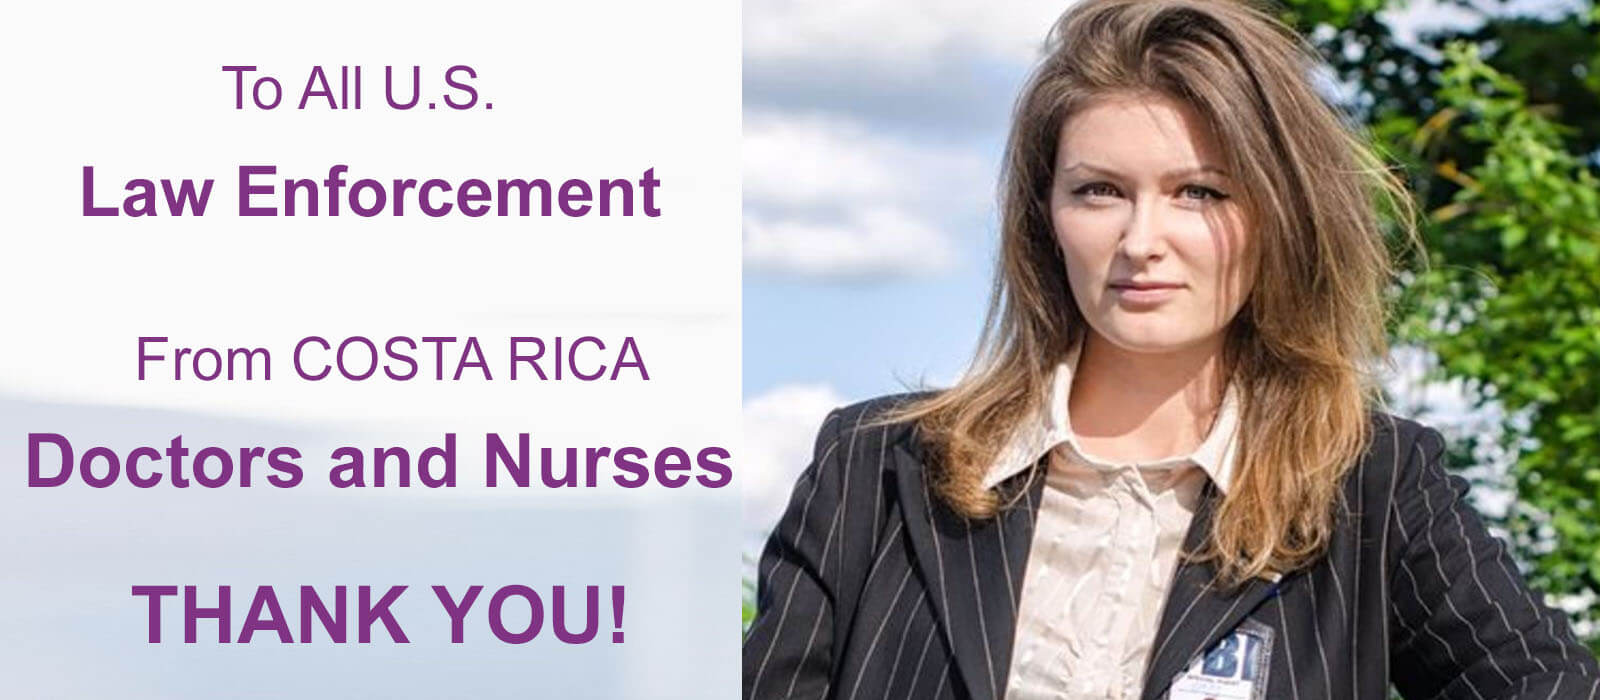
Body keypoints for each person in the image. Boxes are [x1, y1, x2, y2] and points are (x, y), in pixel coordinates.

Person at [741, 0, 1600, 698]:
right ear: (1046, 217)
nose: (1141, 239)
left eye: (1199, 192)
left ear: (1279, 215)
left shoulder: (1373, 485)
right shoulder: (876, 468)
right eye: (1099, 191)